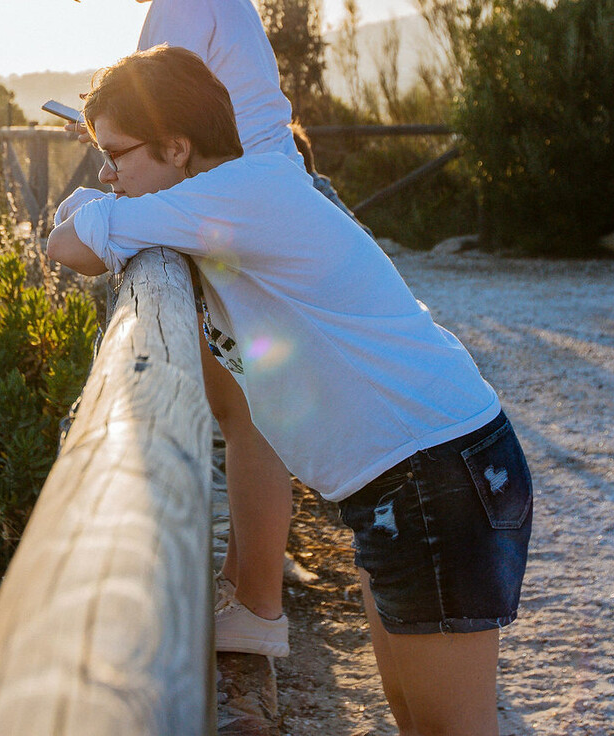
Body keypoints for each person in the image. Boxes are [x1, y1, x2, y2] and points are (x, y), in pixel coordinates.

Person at [47, 46, 531, 736]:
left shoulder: (236, 200)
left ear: (177, 146)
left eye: (116, 153)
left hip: (436, 474)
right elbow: (83, 227)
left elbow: (66, 246)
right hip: (409, 478)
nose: (105, 171)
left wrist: (100, 207)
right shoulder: (242, 189)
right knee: (422, 723)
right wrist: (113, 194)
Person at [52, 0, 303, 656]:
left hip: (241, 215)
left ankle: (257, 603)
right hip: (243, 207)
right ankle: (250, 593)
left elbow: (168, 119)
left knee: (249, 413)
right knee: (246, 407)